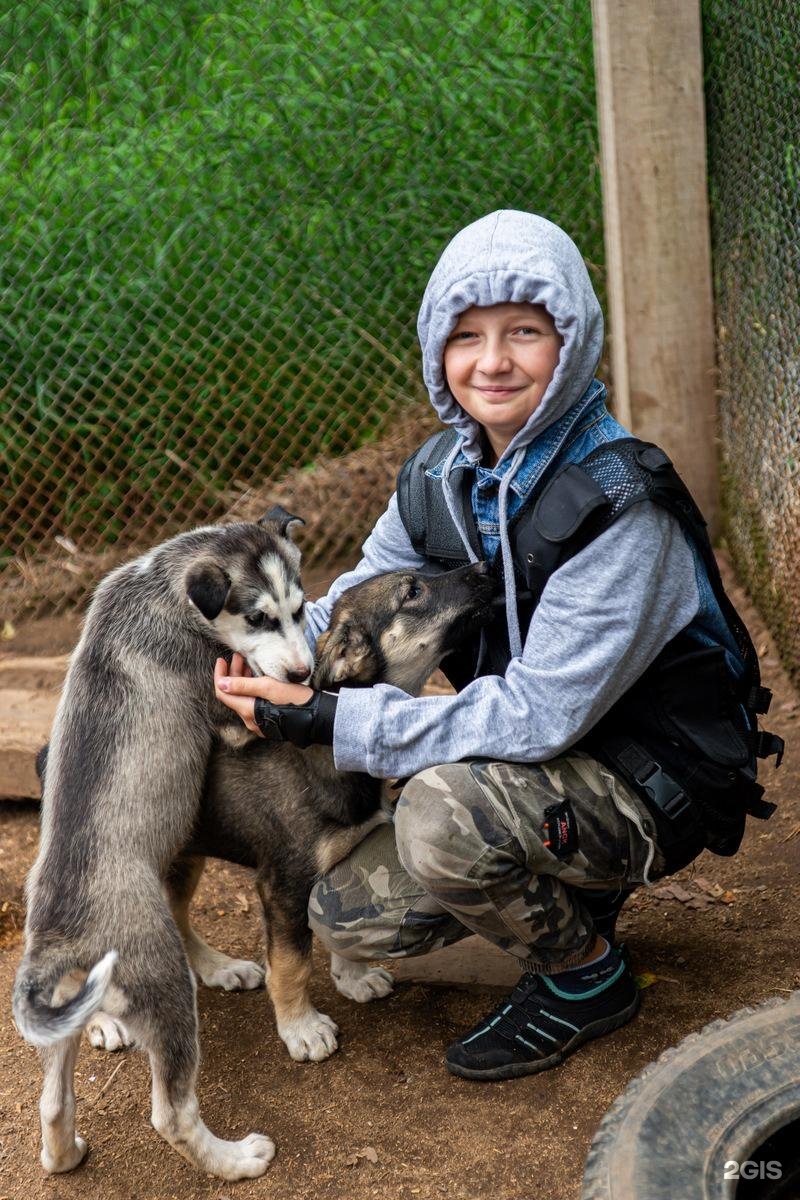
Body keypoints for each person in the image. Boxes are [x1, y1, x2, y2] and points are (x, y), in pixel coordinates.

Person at [215, 210, 780, 1081]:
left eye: (525, 331)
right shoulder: (441, 476)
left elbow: (539, 714)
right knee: (346, 908)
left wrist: (333, 718)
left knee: (440, 814)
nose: (492, 361)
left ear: (572, 338)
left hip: (651, 774)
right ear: (439, 353)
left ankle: (586, 978)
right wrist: (262, 660)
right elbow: (351, 602)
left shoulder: (619, 502)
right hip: (534, 761)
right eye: (466, 336)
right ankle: (568, 887)